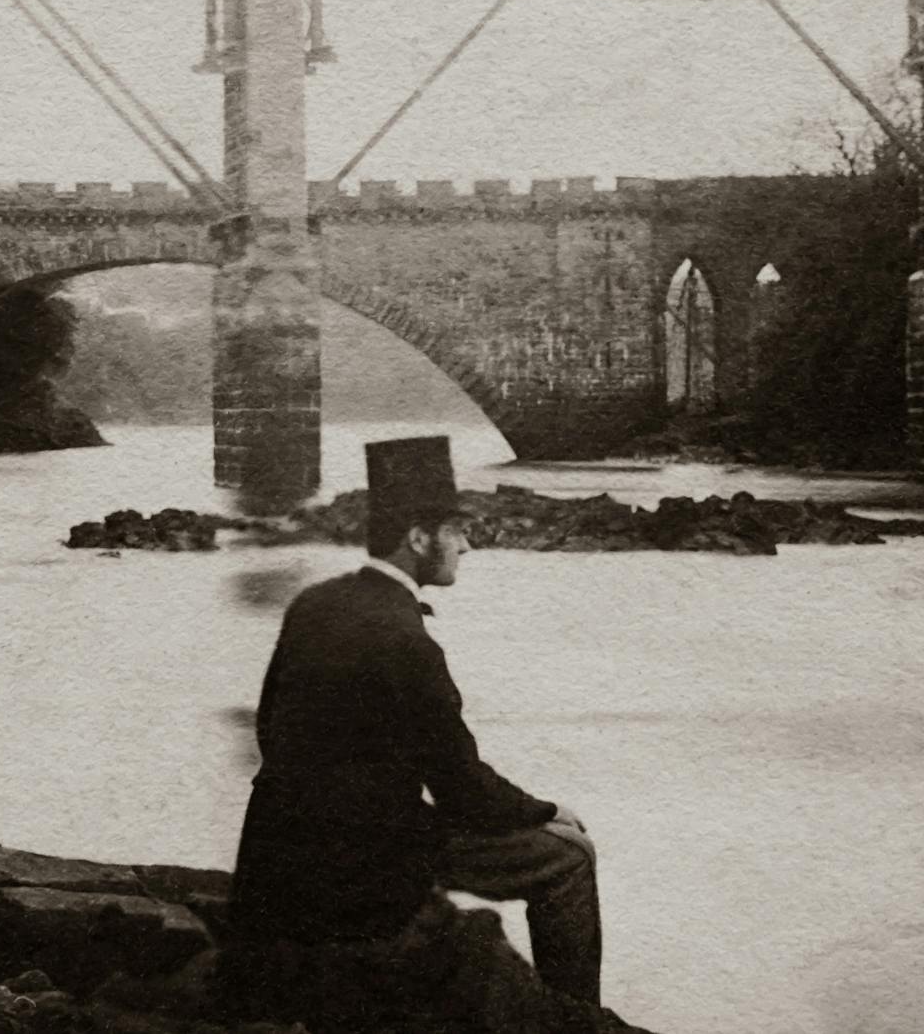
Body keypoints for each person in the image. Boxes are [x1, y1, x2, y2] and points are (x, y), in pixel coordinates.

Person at [225, 435, 634, 1032]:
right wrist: (548, 810)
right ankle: (575, 1020)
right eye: (456, 531)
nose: (466, 546)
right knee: (569, 857)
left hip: (277, 848)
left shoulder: (314, 603)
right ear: (419, 538)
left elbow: (268, 727)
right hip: (358, 861)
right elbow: (462, 789)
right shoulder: (408, 642)